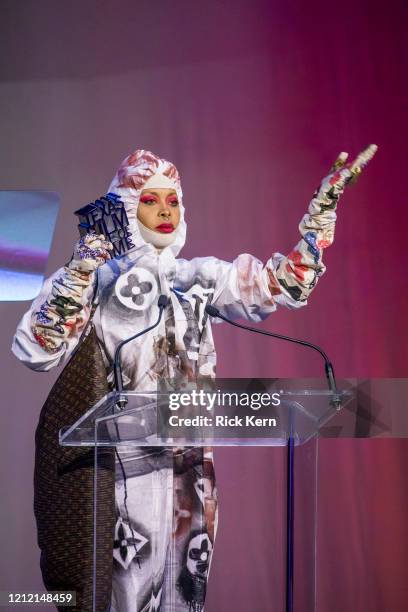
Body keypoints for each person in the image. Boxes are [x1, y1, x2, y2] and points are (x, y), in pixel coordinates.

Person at [11, 146, 377, 612]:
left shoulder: (196, 280)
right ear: (126, 205)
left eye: (173, 200)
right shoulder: (96, 280)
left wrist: (321, 216)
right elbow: (36, 350)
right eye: (150, 200)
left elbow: (283, 284)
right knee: (119, 599)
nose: (165, 210)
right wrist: (82, 267)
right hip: (119, 476)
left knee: (185, 599)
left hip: (190, 477)